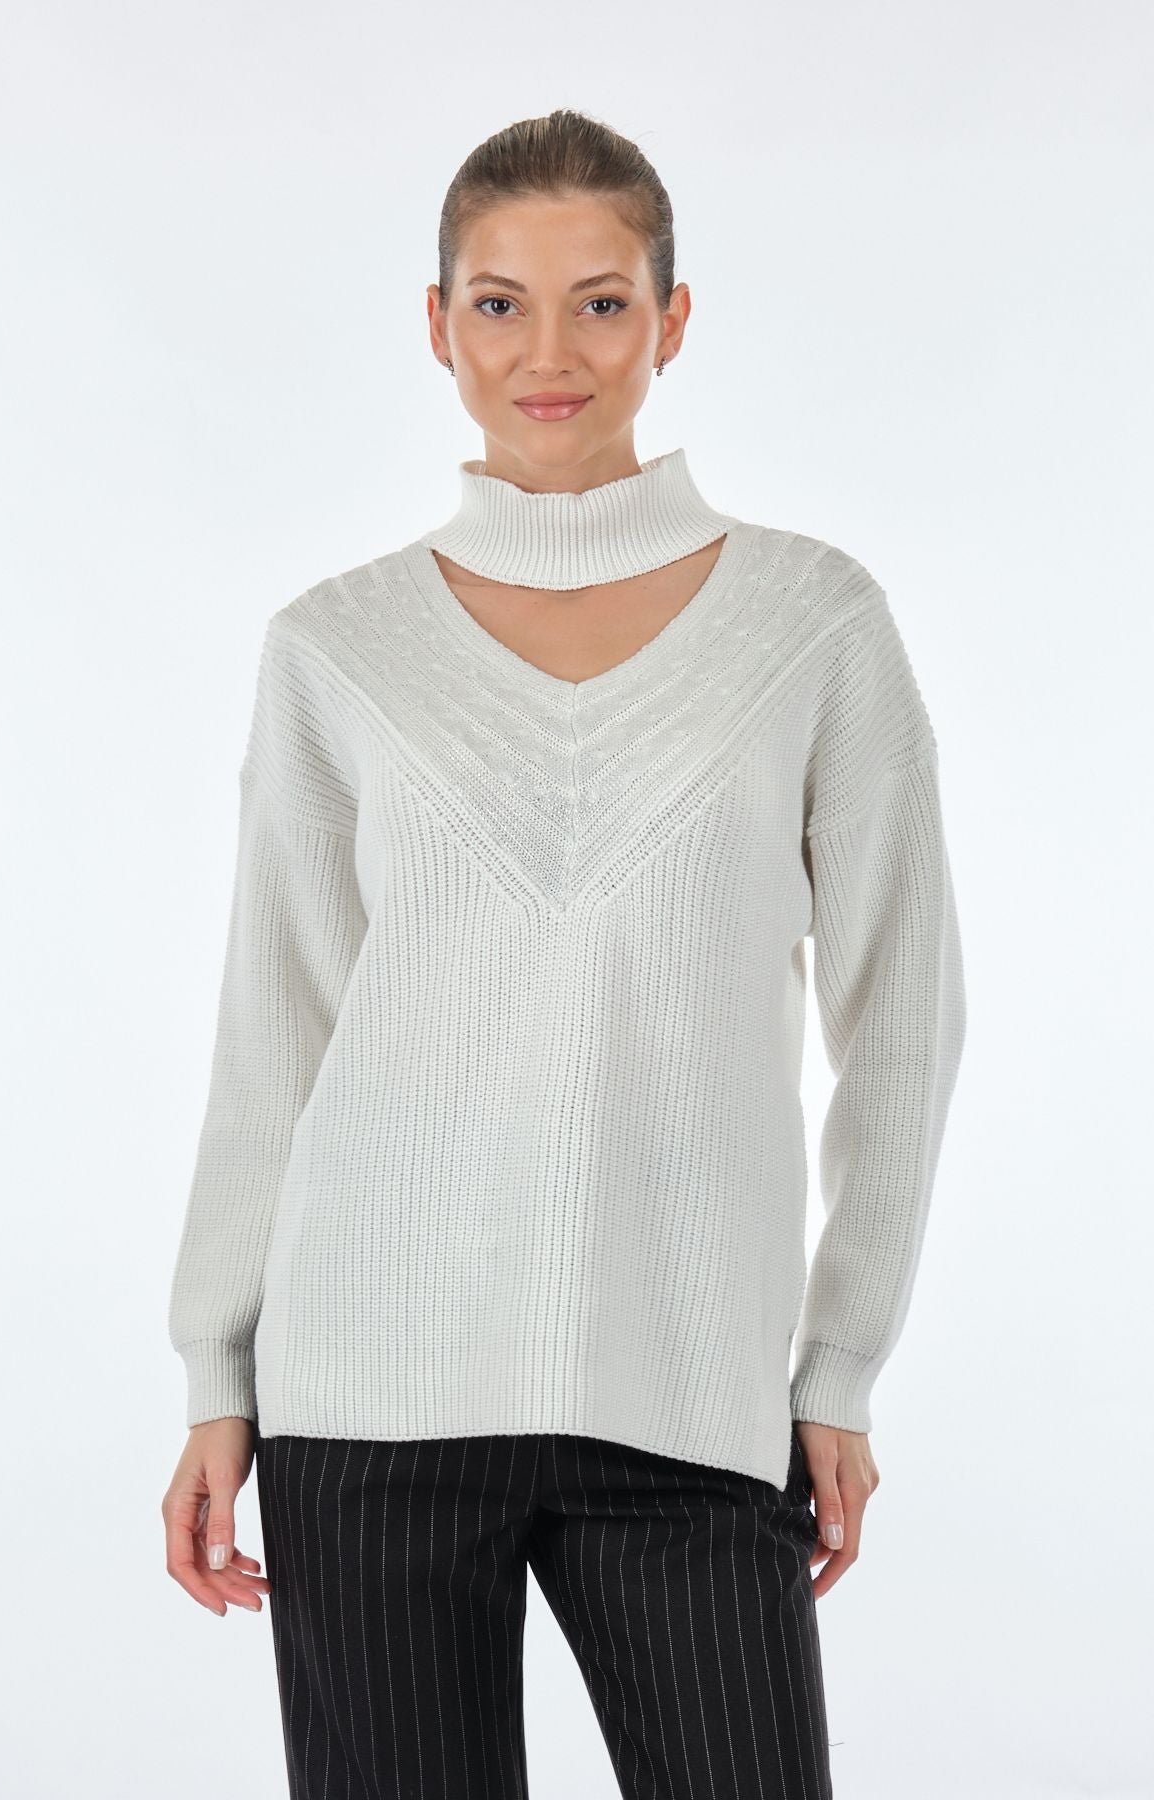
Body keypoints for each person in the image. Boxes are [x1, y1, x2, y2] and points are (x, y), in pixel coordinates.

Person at [162, 107, 966, 1800]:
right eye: (500, 303)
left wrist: (841, 1366)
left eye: (602, 303)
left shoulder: (813, 623)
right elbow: (274, 1033)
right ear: (437, 324)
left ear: (673, 321)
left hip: (690, 1389)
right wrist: (216, 1373)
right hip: (367, 1395)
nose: (550, 353)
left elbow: (905, 1016)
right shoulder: (337, 649)